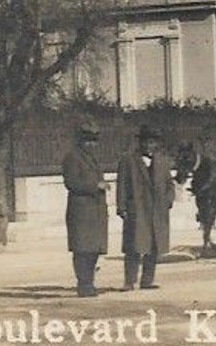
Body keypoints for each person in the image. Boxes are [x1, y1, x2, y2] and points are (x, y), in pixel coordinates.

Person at [116, 125, 175, 291]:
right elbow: (122, 185)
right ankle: (129, 281)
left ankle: (147, 280)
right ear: (140, 143)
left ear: (156, 144)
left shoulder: (162, 161)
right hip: (137, 209)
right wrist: (122, 207)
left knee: (153, 246)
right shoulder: (128, 160)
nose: (149, 146)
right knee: (134, 246)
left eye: (152, 142)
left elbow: (170, 185)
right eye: (146, 142)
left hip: (157, 210)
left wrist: (168, 200)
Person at [62, 123, 108, 296]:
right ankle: (84, 284)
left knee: (93, 249)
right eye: (88, 141)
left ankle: (89, 283)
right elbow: (72, 183)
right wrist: (96, 186)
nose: (92, 145)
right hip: (81, 211)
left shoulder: (91, 158)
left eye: (94, 141)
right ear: (80, 141)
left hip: (94, 211)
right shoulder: (72, 158)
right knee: (82, 250)